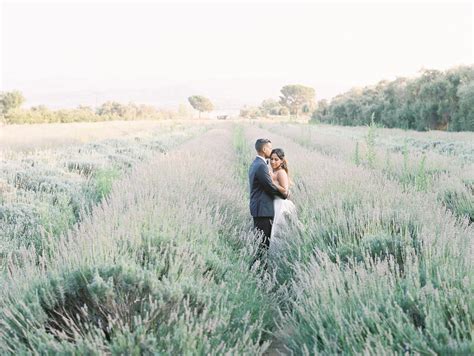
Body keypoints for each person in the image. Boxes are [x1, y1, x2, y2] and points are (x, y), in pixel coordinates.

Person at [248, 139, 288, 256]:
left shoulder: (256, 163)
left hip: (260, 208)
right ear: (264, 149)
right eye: (270, 148)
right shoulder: (261, 166)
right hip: (263, 210)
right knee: (263, 243)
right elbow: (269, 187)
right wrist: (284, 194)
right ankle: (261, 269)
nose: (271, 152)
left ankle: (261, 267)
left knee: (262, 242)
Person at [268, 148, 297, 241]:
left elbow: (285, 190)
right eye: (271, 159)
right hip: (275, 204)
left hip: (280, 205)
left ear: (281, 161)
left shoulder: (281, 172)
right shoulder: (274, 171)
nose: (273, 161)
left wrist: (272, 182)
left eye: (276, 159)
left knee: (278, 231)